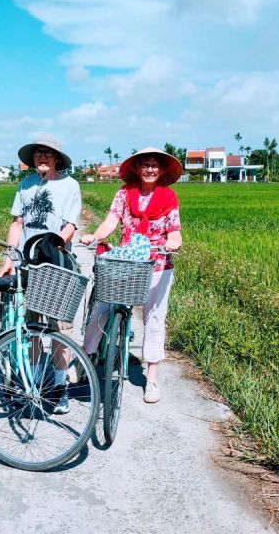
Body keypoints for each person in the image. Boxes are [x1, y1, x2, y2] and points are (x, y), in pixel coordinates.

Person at [80, 147, 182, 403]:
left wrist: (173, 242)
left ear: (161, 170)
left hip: (157, 263)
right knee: (102, 308)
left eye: (154, 165)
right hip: (127, 262)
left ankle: (152, 378)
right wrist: (95, 235)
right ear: (137, 169)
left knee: (154, 318)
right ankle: (86, 358)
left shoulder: (169, 197)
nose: (149, 169)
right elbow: (111, 221)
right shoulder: (124, 193)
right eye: (145, 165)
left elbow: (175, 231)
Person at [0, 135, 82, 412]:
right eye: (38, 154)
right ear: (32, 160)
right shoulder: (25, 185)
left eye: (48, 153)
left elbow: (70, 227)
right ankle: (33, 386)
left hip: (55, 264)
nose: (42, 158)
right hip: (27, 266)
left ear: (57, 158)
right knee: (30, 327)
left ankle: (59, 388)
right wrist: (11, 256)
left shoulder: (70, 186)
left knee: (58, 328)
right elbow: (17, 223)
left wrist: (51, 246)